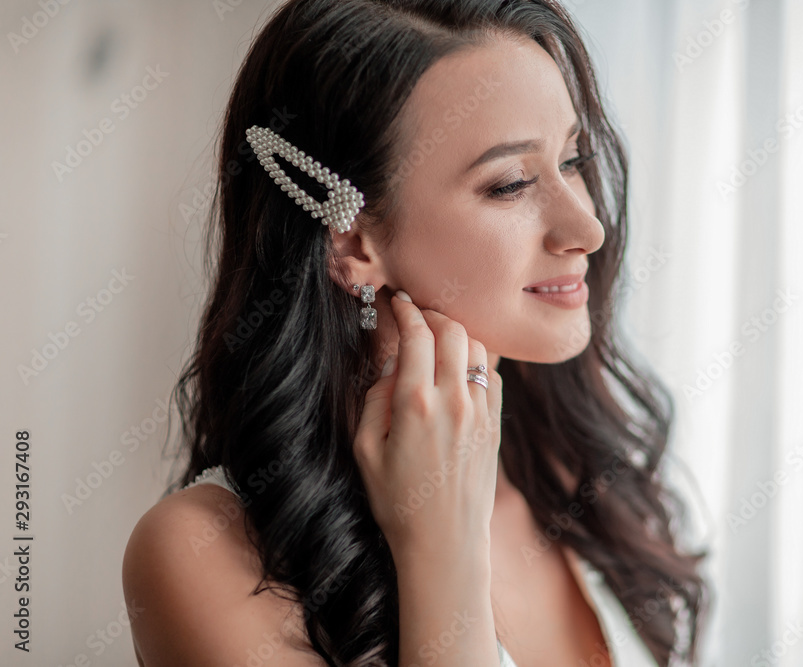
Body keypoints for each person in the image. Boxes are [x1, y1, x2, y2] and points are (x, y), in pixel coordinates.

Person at [121, 0, 708, 665]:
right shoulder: (200, 553)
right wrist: (441, 550)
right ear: (353, 242)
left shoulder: (564, 465)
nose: (588, 229)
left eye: (572, 161)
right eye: (511, 184)